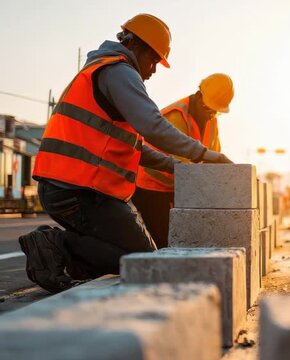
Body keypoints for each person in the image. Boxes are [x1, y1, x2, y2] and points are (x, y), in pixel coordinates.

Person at [19, 14, 232, 293]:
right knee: (141, 259)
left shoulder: (107, 71)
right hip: (75, 190)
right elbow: (153, 126)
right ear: (137, 47)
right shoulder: (119, 72)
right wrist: (203, 154)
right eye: (154, 60)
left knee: (138, 254)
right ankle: (56, 247)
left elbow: (135, 146)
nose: (154, 70)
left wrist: (175, 167)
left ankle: (71, 263)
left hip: (76, 188)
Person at [132, 73, 234, 248]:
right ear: (198, 96)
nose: (211, 114)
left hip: (180, 189)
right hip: (153, 188)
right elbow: (184, 171)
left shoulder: (211, 120)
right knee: (163, 243)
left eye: (215, 111)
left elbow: (215, 156)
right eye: (208, 108)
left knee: (183, 241)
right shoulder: (176, 116)